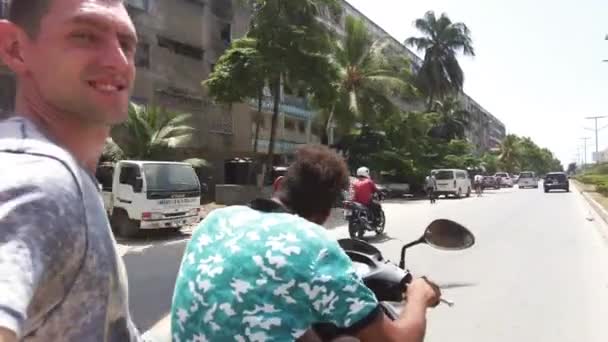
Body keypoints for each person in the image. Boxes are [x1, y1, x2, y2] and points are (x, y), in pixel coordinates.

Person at [171, 145, 441, 342]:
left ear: (278, 185)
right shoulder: (314, 246)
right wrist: (419, 295)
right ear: (324, 215)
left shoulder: (216, 220)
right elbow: (399, 340)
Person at [0, 1, 141, 341]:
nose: (118, 61)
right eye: (85, 35)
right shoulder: (39, 180)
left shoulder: (69, 178)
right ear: (15, 48)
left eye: (126, 43)